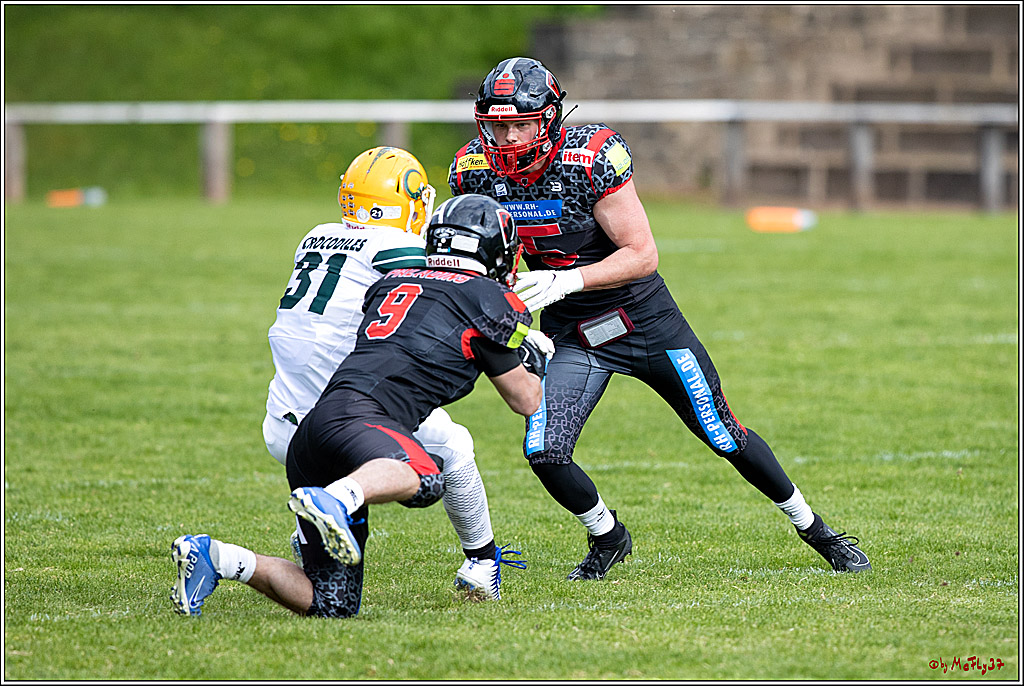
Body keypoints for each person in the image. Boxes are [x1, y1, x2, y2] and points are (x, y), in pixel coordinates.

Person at [448, 56, 871, 581]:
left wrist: (567, 280)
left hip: (642, 319)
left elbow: (642, 253)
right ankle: (608, 536)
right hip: (573, 334)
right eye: (497, 125)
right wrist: (512, 310)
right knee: (544, 450)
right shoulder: (474, 170)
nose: (509, 139)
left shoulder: (589, 160)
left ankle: (817, 531)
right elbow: (488, 258)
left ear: (550, 119)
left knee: (722, 434)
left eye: (521, 124)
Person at [171, 193, 552, 618]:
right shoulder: (489, 299)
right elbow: (525, 399)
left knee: (330, 603)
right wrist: (536, 360)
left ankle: (217, 557)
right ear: (497, 251)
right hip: (363, 420)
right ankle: (337, 498)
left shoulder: (392, 281)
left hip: (314, 431)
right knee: (425, 476)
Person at [258, 146, 512, 599]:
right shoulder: (395, 246)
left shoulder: (315, 235)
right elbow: (451, 287)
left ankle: (306, 539)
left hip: (282, 419)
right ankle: (481, 563)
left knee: (331, 591)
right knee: (453, 448)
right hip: (353, 411)